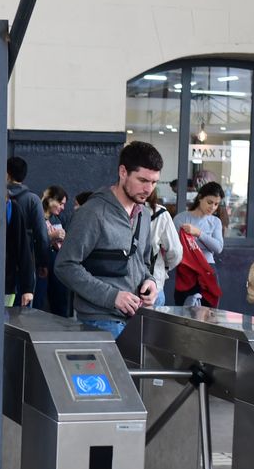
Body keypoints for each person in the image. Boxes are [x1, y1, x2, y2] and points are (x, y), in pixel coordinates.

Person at [53, 141, 162, 337]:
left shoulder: (144, 215)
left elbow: (143, 262)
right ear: (123, 172)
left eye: (154, 182)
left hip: (135, 320)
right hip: (99, 322)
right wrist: (113, 297)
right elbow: (65, 265)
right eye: (143, 180)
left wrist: (150, 282)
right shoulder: (92, 213)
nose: (149, 189)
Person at [6, 157, 53, 307]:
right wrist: (43, 263)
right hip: (26, 259)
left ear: (7, 173)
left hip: (3, 261)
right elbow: (41, 234)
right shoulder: (32, 200)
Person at [173, 181, 225, 307]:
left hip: (207, 268)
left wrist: (198, 233)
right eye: (209, 202)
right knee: (183, 312)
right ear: (200, 197)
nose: (212, 207)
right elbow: (172, 245)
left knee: (210, 314)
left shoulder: (215, 221)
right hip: (187, 269)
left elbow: (218, 247)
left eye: (216, 204)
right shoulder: (181, 218)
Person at [39, 186, 71, 316]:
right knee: (38, 301)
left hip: (56, 266)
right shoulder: (38, 216)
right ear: (51, 200)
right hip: (41, 266)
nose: (62, 208)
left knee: (59, 302)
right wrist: (51, 237)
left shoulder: (58, 218)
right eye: (60, 203)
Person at [147, 197, 182, 307]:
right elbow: (175, 252)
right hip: (153, 284)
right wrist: (164, 267)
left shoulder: (113, 209)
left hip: (120, 288)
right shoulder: (160, 213)